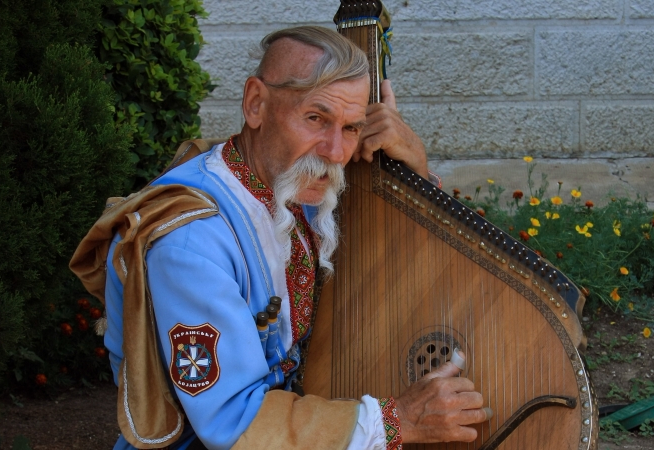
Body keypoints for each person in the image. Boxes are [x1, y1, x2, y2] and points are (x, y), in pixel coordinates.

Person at [71, 26, 491, 450]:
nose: (334, 152)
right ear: (256, 104)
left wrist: (413, 168)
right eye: (315, 118)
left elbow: (401, 252)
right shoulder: (190, 244)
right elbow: (234, 423)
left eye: (351, 128)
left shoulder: (291, 184)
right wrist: (397, 420)